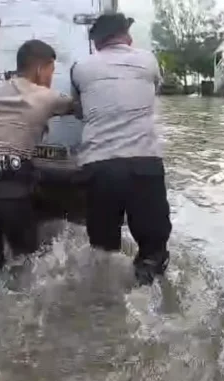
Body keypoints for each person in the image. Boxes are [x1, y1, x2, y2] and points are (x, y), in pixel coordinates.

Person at [0, 39, 74, 302]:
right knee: (27, 267)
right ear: (40, 69)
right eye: (51, 70)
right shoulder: (48, 97)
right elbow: (82, 108)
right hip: (11, 189)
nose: (51, 76)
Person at [70, 13, 172, 285]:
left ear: (96, 43)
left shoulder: (80, 67)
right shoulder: (148, 61)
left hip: (99, 166)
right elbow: (153, 93)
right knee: (153, 249)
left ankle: (103, 303)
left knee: (103, 249)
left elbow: (80, 109)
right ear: (126, 36)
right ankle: (147, 300)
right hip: (144, 164)